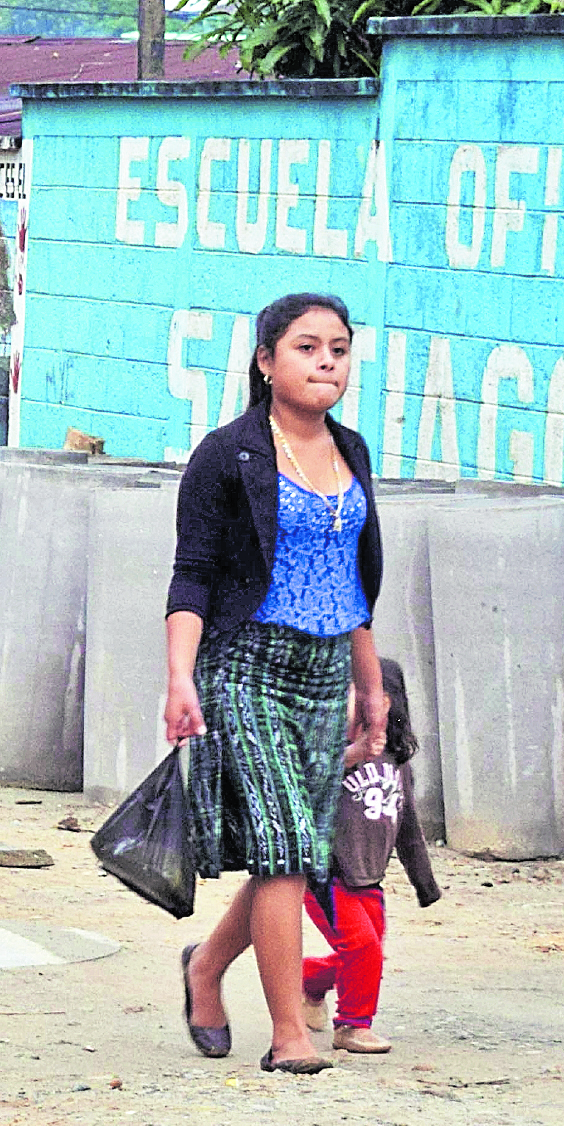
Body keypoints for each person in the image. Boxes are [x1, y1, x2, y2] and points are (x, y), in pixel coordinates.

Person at [163, 291, 386, 1073]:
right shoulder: (228, 455)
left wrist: (372, 688)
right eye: (305, 347)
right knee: (286, 847)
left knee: (286, 849)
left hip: (325, 671)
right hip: (245, 666)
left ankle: (204, 965)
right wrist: (180, 680)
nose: (325, 362)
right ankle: (289, 1034)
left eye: (338, 348)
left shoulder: (351, 450)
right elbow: (191, 576)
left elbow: (351, 580)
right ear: (265, 361)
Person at [301, 656, 440, 1054]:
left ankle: (307, 981)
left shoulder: (396, 763)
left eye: (364, 692)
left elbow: (408, 826)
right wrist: (350, 753)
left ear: (390, 701)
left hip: (369, 880)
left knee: (367, 954)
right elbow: (309, 778)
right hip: (326, 876)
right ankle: (352, 1026)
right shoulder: (329, 752)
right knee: (362, 949)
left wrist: (424, 883)